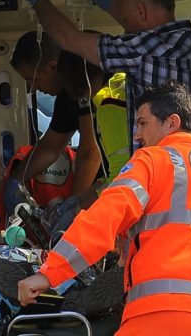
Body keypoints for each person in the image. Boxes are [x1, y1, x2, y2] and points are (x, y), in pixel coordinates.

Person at [18, 81, 191, 336]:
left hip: (159, 322)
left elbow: (103, 217)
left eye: (143, 123)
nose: (137, 135)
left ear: (172, 122)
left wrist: (49, 274)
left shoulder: (152, 161)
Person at [21, 0, 191, 165]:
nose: (126, 32)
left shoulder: (142, 50)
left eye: (125, 22)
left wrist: (38, 3)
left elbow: (69, 39)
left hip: (162, 187)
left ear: (141, 11)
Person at [4, 30, 102, 214]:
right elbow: (50, 147)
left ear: (52, 67)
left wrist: (74, 209)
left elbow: (90, 152)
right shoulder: (67, 98)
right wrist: (15, 181)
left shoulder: (89, 86)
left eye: (34, 80)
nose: (33, 88)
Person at [44, 50, 129, 234]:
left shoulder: (110, 106)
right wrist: (78, 200)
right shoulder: (122, 86)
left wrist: (79, 207)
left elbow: (122, 177)